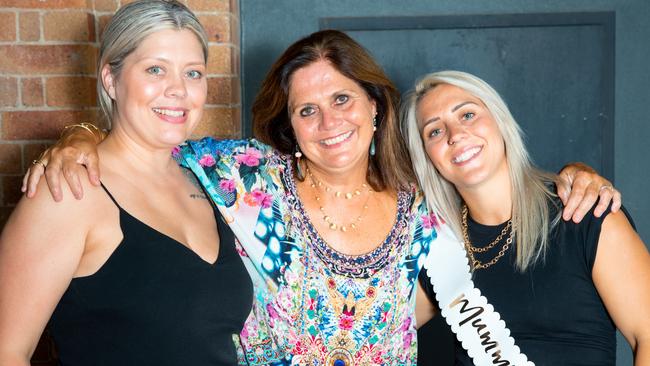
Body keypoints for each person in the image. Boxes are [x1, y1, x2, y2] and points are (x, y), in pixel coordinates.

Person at [20, 31, 619, 365]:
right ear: (289, 125)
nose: (328, 121)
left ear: (374, 104)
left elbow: (491, 206)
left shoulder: (422, 209)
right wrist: (80, 138)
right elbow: (150, 140)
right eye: (307, 109)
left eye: (342, 100)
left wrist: (576, 173)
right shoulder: (245, 178)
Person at [0, 1, 252, 365]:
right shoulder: (70, 190)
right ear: (110, 80)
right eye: (155, 70)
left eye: (193, 73)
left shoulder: (206, 179)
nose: (178, 90)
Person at [402, 70, 650, 365]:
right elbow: (375, 332)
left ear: (499, 121)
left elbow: (646, 334)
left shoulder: (583, 214)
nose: (455, 135)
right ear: (426, 156)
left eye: (467, 115)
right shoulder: (438, 249)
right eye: (435, 131)